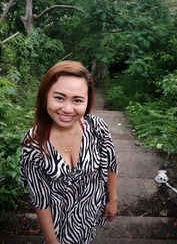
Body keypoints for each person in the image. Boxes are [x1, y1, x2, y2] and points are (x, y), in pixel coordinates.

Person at [20, 60, 118, 244]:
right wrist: (51, 240)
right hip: (58, 222)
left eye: (77, 100)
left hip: (91, 211)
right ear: (45, 97)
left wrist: (112, 200)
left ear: (87, 101)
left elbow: (111, 164)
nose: (67, 109)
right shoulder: (33, 144)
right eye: (59, 97)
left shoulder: (97, 128)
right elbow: (40, 199)